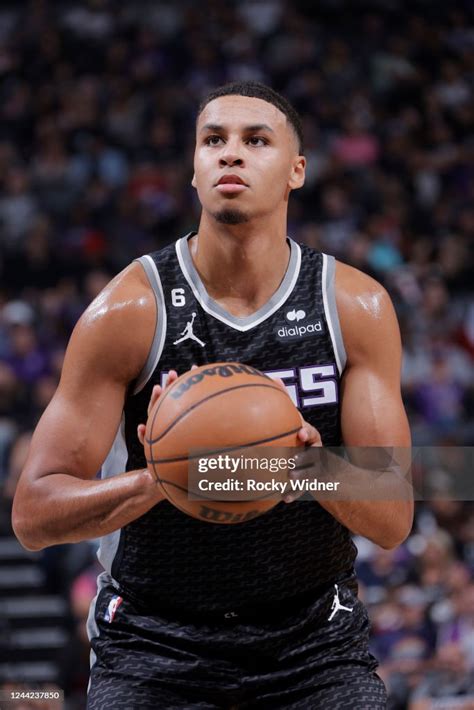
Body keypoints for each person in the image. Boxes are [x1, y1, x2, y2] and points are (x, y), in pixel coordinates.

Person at [12, 81, 413, 709]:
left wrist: (310, 468)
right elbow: (33, 513)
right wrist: (161, 478)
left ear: (296, 171)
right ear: (194, 171)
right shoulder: (128, 309)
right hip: (152, 642)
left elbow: (392, 515)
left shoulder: (354, 307)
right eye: (213, 141)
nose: (231, 154)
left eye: (256, 141)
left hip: (314, 645)